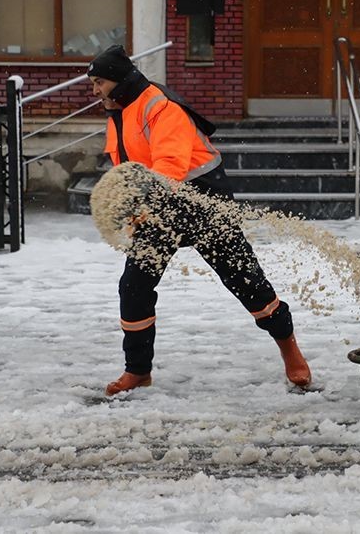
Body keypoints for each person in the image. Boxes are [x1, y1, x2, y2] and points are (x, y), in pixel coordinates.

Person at [87, 44, 312, 396]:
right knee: (133, 286)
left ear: (119, 80)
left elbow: (170, 167)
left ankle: (290, 349)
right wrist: (132, 211)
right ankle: (138, 371)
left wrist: (144, 199)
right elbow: (127, 170)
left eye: (99, 82)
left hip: (202, 201)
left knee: (246, 281)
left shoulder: (159, 106)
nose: (95, 90)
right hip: (159, 207)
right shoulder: (118, 114)